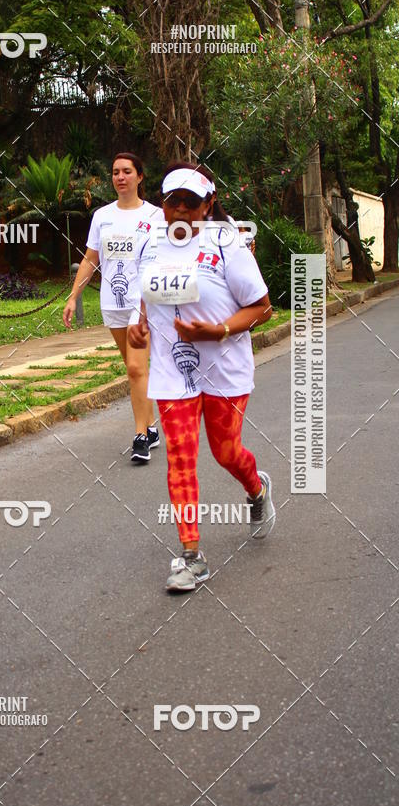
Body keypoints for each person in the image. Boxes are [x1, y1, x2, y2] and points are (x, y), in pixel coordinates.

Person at [128, 162, 276, 591]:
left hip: (225, 367)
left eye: (190, 202)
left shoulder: (226, 243)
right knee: (180, 456)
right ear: (162, 203)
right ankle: (191, 557)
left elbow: (263, 308)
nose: (180, 210)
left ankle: (256, 489)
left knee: (226, 452)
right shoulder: (150, 243)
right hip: (173, 370)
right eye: (172, 201)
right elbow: (147, 296)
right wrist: (140, 323)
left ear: (208, 205)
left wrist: (218, 330)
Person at [63, 152, 162, 463]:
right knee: (133, 367)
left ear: (139, 176)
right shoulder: (102, 216)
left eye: (127, 171)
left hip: (144, 302)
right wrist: (73, 296)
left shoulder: (156, 216)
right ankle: (151, 425)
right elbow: (90, 259)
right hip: (112, 301)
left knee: (136, 368)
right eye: (116, 172)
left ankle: (140, 437)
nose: (120, 177)